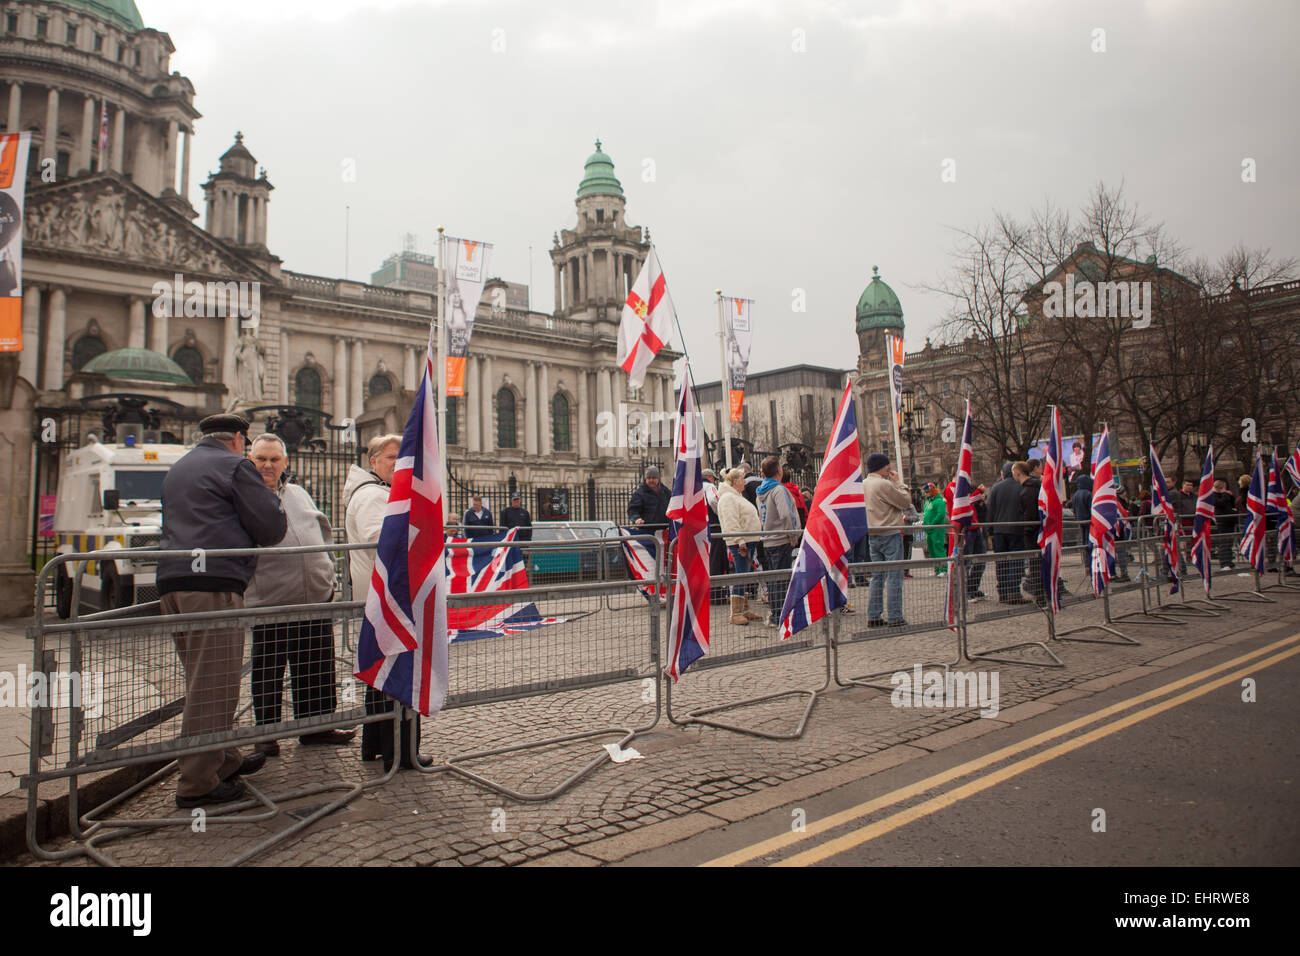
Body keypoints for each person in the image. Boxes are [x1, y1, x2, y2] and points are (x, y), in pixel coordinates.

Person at [157, 413, 286, 808]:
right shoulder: (234, 466)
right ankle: (197, 784)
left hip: (175, 583)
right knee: (213, 685)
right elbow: (271, 526)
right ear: (236, 438)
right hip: (213, 583)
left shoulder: (179, 466)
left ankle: (224, 758)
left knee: (206, 678)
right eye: (246, 444)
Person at [244, 434, 353, 755]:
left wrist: (328, 572)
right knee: (269, 670)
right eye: (261, 458)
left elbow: (322, 529)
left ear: (285, 463)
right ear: (250, 461)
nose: (267, 465)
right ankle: (267, 734)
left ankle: (317, 727)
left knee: (316, 666)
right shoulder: (245, 497)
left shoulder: (298, 492)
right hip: (271, 601)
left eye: (274, 459)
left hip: (315, 598)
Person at [345, 434, 432, 771]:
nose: (400, 463)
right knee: (398, 677)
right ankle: (402, 752)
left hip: (385, 599)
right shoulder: (372, 496)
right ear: (374, 461)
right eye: (392, 457)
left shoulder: (383, 494)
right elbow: (379, 541)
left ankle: (376, 747)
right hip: (387, 601)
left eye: (403, 457)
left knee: (381, 677)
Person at [863, 452, 911, 627]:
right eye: (887, 466)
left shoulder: (864, 484)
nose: (889, 468)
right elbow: (905, 502)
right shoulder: (884, 484)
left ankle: (874, 615)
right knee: (894, 576)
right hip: (889, 533)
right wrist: (898, 483)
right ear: (882, 467)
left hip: (873, 534)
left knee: (877, 577)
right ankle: (895, 616)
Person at [755, 456, 801, 627]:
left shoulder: (760, 492)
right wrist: (792, 535)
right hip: (780, 539)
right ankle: (780, 615)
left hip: (768, 538)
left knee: (774, 579)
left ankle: (776, 612)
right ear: (779, 471)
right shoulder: (778, 490)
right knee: (781, 579)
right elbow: (786, 514)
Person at [717, 467, 764, 627]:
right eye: (743, 479)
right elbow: (731, 520)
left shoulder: (735, 496)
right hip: (740, 541)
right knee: (741, 574)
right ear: (736, 481)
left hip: (747, 539)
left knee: (745, 574)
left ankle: (743, 609)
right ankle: (735, 612)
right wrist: (739, 539)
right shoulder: (728, 498)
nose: (745, 482)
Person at [987, 462, 1027, 603]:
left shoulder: (996, 487)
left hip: (999, 530)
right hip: (1017, 529)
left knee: (1002, 562)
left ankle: (1003, 592)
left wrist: (990, 530)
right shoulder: (1021, 486)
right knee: (1016, 561)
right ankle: (1013, 592)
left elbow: (990, 509)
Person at [701, 469, 731, 605]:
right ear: (709, 477)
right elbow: (714, 501)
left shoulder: (692, 488)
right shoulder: (709, 486)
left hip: (699, 529)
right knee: (716, 560)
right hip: (713, 526)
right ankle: (716, 594)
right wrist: (722, 515)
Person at [628, 465, 671, 531]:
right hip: (646, 530)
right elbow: (632, 510)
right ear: (646, 479)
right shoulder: (639, 493)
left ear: (658, 478)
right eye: (649, 478)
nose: (651, 480)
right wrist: (636, 518)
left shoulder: (666, 491)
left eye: (653, 478)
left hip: (664, 530)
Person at [921, 482, 947, 574]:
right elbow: (926, 515)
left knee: (938, 549)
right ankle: (936, 569)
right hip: (929, 530)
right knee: (932, 550)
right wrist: (924, 524)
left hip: (937, 529)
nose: (925, 493)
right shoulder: (927, 503)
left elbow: (940, 515)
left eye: (927, 491)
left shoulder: (939, 501)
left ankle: (943, 569)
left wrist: (932, 523)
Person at [1212, 478, 1237, 570]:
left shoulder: (1225, 495)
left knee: (1229, 542)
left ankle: (1229, 561)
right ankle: (1224, 562)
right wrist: (1225, 494)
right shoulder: (1214, 495)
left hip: (1230, 520)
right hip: (1222, 521)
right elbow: (1220, 503)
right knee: (1223, 543)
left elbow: (1232, 503)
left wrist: (1230, 495)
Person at [1072, 474, 1093, 571]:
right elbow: (1091, 509)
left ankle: (1086, 564)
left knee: (1084, 543)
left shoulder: (1076, 494)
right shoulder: (1088, 494)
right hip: (1089, 521)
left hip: (1080, 520)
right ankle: (1091, 563)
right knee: (1090, 543)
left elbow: (1074, 509)